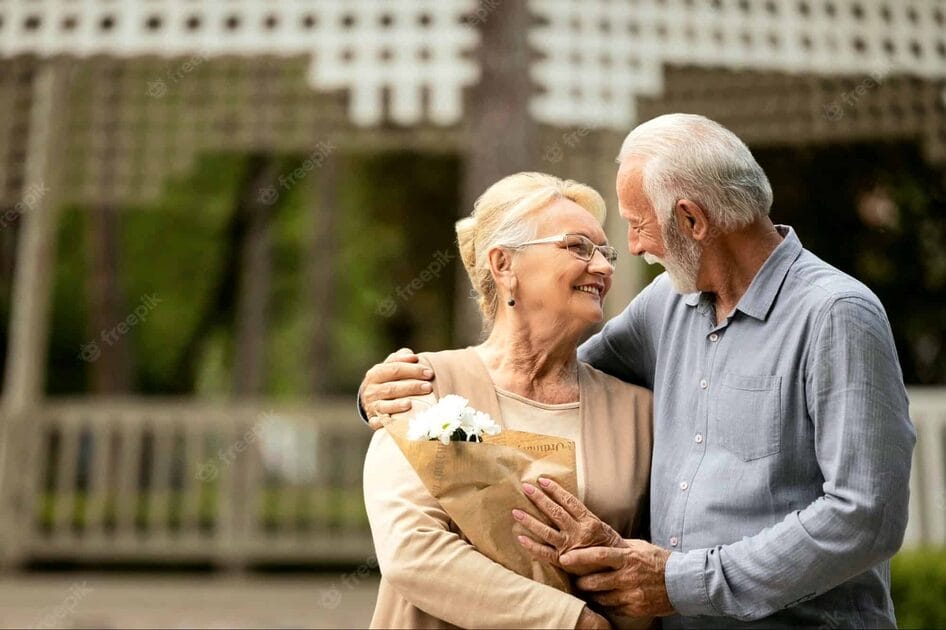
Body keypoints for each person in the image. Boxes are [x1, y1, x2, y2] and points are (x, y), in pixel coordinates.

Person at [359, 114, 916, 628]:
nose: (630, 249)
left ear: (692, 220)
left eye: (634, 227)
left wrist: (679, 583)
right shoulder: (668, 308)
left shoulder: (836, 314)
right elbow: (549, 377)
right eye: (584, 245)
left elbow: (865, 516)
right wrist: (386, 394)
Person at [363, 172, 654, 629]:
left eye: (606, 252)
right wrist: (571, 622)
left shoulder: (639, 413)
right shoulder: (423, 384)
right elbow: (411, 551)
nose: (602, 267)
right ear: (503, 265)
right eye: (578, 247)